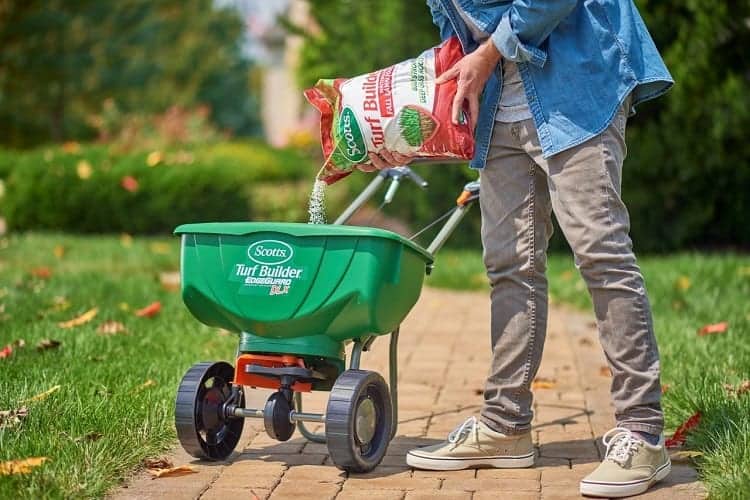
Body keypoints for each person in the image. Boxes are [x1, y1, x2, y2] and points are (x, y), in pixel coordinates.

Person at [366, 0, 674, 497]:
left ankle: (642, 432)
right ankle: (504, 426)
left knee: (601, 254)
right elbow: (453, 27)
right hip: (501, 108)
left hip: (574, 89)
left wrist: (487, 55)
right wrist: (409, 104)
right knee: (509, 267)